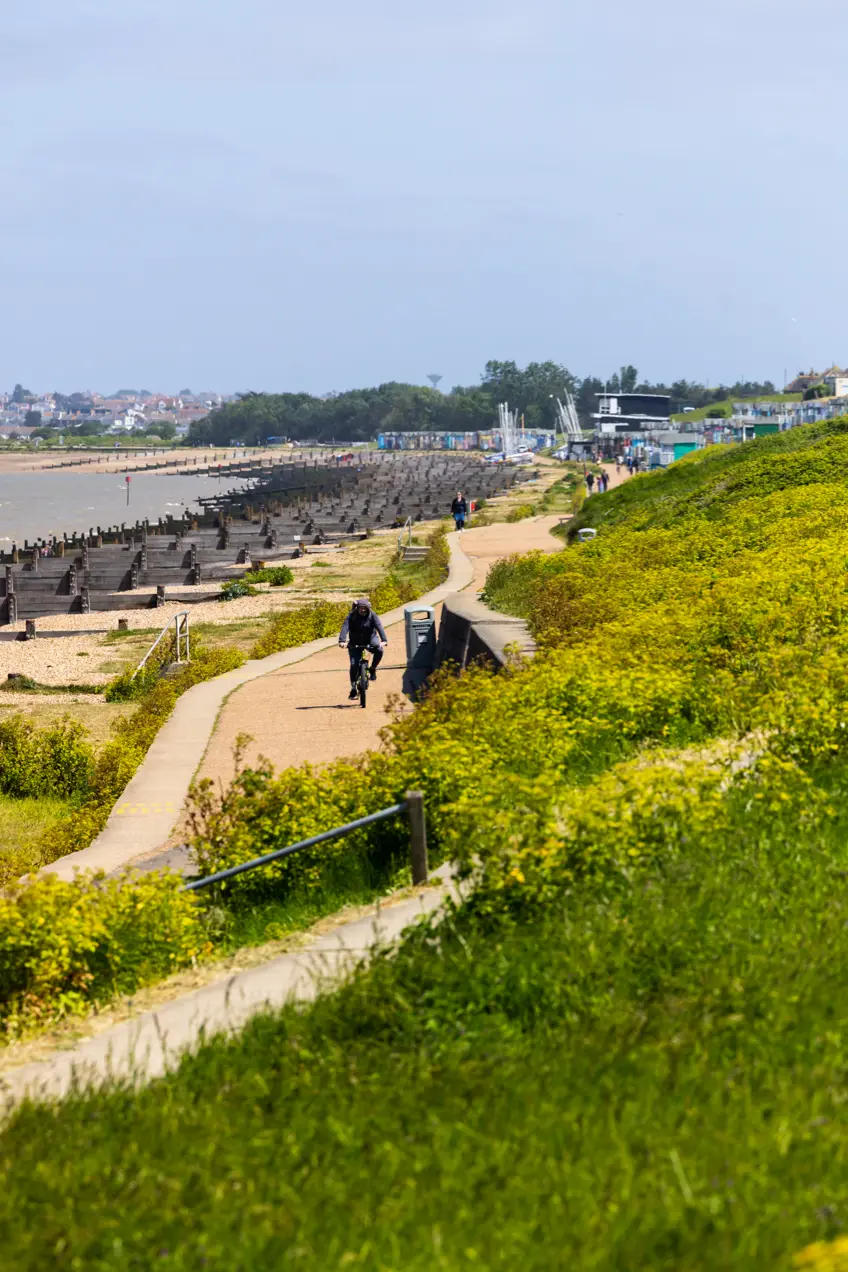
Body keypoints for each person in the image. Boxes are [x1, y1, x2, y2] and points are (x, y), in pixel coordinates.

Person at [339, 597, 388, 700]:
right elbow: (345, 627)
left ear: (368, 608)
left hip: (370, 640)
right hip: (354, 643)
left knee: (379, 649)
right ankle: (353, 688)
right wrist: (342, 641)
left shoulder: (372, 616)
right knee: (354, 664)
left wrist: (384, 640)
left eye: (364, 608)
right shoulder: (351, 616)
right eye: (360, 608)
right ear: (357, 608)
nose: (362, 610)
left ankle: (373, 668)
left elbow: (379, 626)